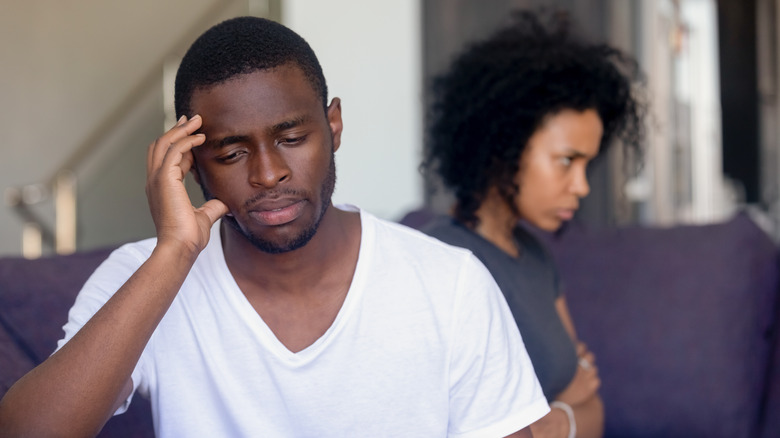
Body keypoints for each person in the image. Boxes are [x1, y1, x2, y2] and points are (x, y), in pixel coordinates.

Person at [0, 16, 551, 438]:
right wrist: (173, 255)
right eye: (231, 151)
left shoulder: (449, 282)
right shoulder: (144, 278)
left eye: (291, 138)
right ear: (189, 162)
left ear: (333, 125)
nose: (268, 174)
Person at [421, 10, 645, 438]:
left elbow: (595, 409)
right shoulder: (440, 262)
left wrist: (552, 419)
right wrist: (567, 409)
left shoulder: (538, 259)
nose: (581, 186)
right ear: (503, 147)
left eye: (587, 164)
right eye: (566, 161)